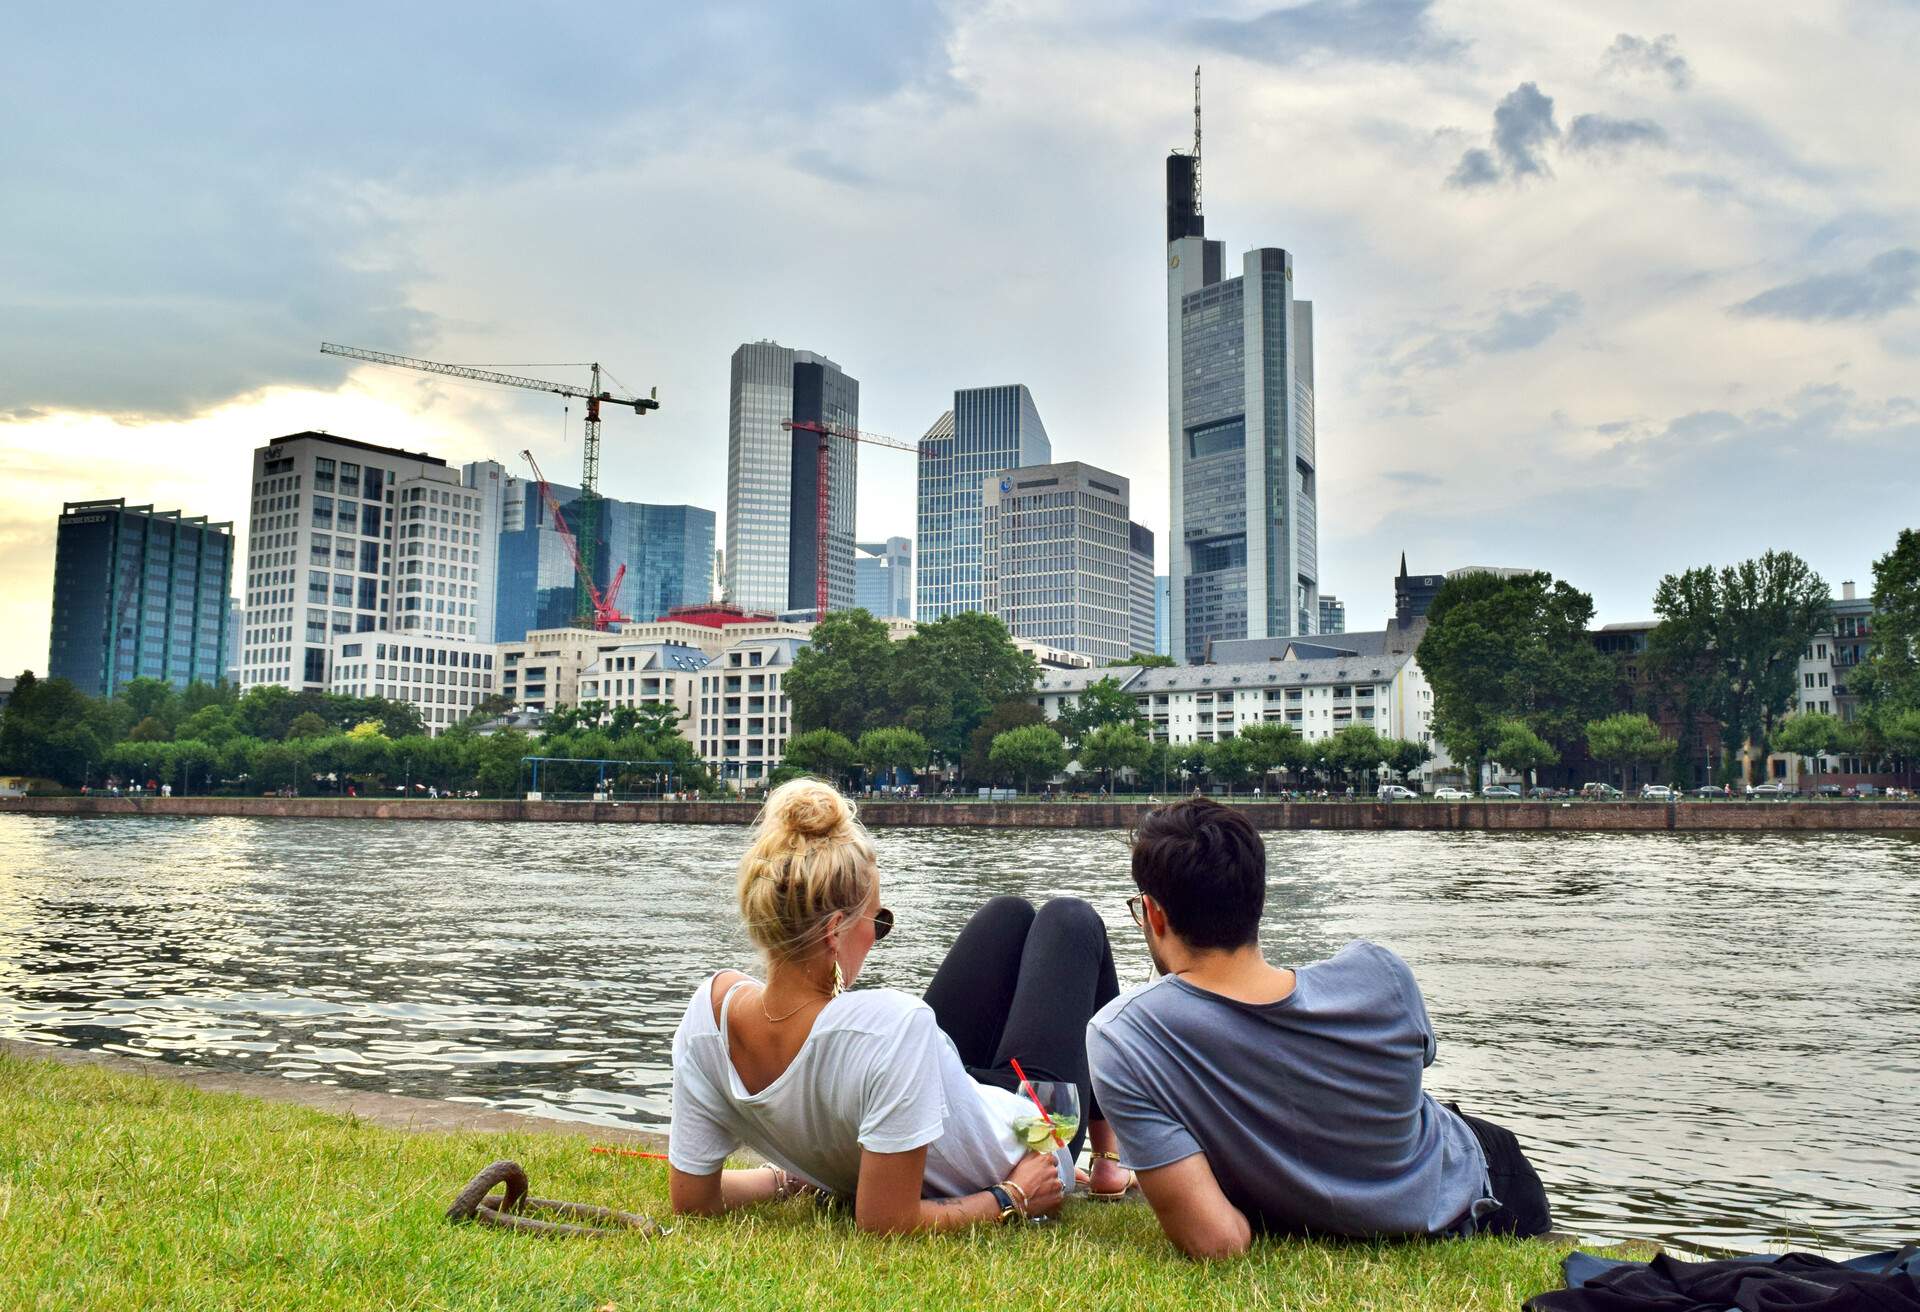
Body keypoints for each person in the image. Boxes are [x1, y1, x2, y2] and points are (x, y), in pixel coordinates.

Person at [1087, 798, 1550, 1258]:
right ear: (1258, 899)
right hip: (1478, 1181)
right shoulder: (1379, 973)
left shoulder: (1123, 1037)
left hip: (1466, 1174)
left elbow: (1218, 1242)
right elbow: (1410, 1073)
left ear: (1155, 914)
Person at [668, 778, 1132, 1233]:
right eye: (877, 920)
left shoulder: (710, 1017)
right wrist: (1010, 1196)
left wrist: (796, 1174)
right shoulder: (890, 1024)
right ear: (834, 932)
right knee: (1070, 919)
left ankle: (1110, 1160)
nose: (876, 937)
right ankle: (1110, 1162)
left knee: (1007, 913)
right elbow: (887, 1220)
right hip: (1031, 1134)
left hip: (945, 1101)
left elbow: (694, 1200)